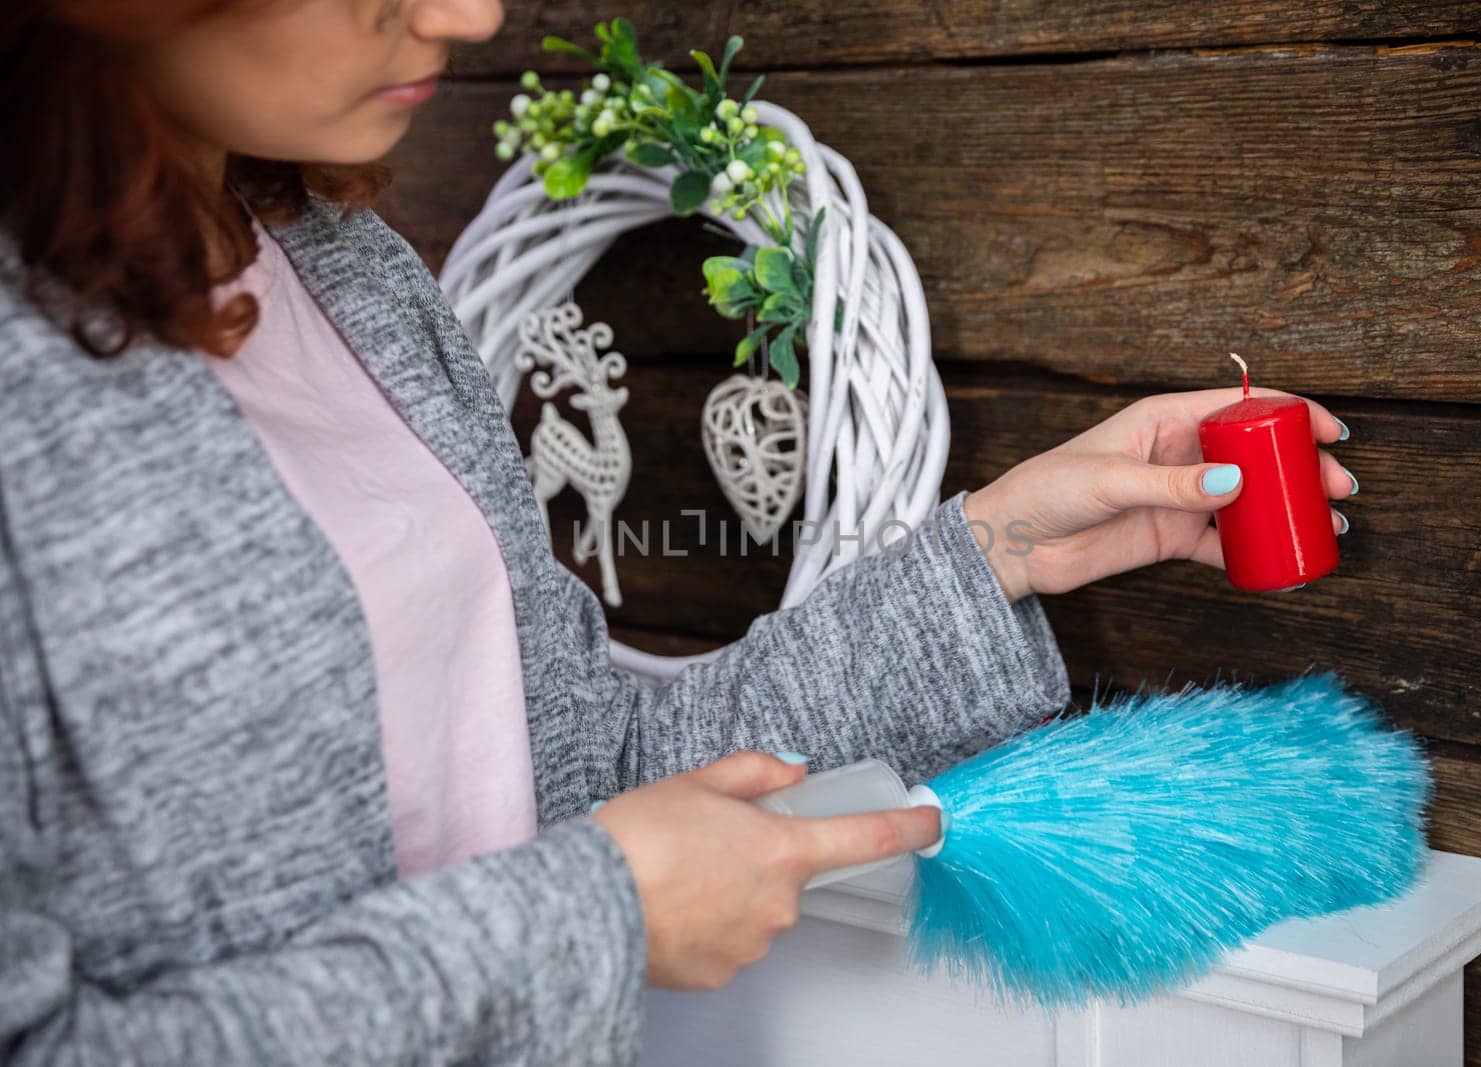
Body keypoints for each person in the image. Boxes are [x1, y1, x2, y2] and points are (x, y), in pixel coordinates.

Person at [0, 1, 1357, 1064]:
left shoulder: (349, 278)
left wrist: (998, 551)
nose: (470, 16)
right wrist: (595, 916)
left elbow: (579, 774)